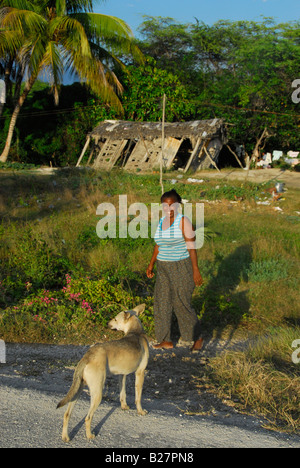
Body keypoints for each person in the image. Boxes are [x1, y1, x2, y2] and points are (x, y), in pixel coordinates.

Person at [146, 189, 204, 352]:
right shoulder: (161, 222)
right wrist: (151, 264)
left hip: (180, 266)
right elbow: (158, 245)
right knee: (161, 302)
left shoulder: (183, 221)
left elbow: (192, 247)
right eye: (165, 205)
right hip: (163, 267)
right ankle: (165, 340)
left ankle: (197, 336)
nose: (168, 208)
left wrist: (195, 270)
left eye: (171, 205)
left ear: (178, 205)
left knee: (181, 303)